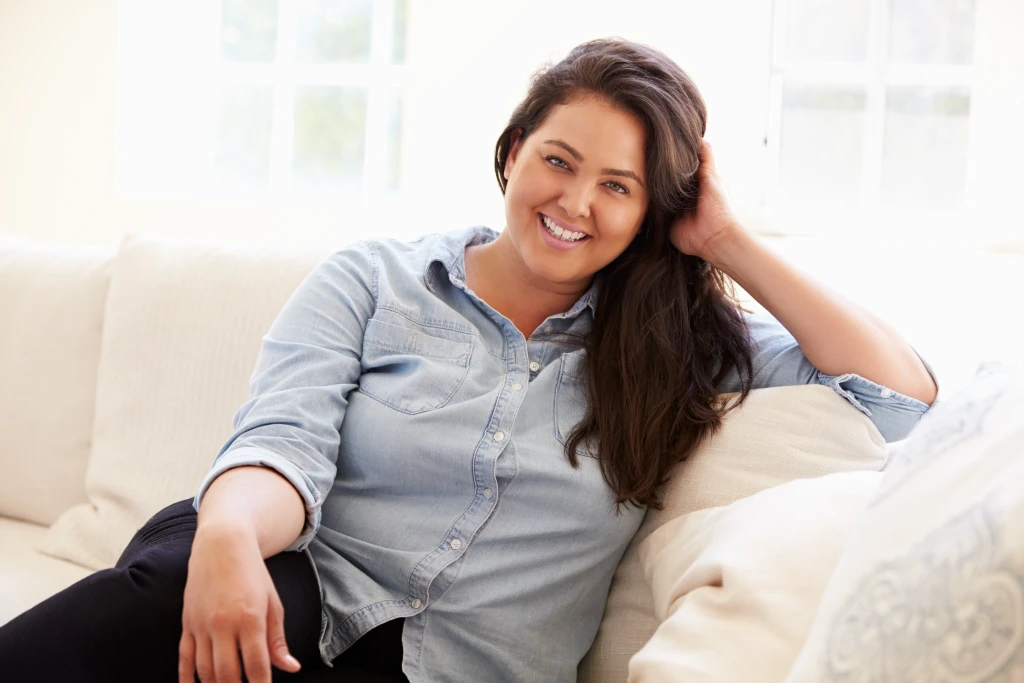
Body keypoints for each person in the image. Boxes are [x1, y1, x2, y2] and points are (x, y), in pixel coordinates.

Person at [0, 38, 938, 683]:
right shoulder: (375, 279)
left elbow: (899, 397)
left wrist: (727, 237)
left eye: (619, 187)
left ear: (654, 211)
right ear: (513, 149)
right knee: (141, 615)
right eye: (559, 160)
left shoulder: (680, 348)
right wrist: (228, 537)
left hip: (467, 661)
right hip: (290, 577)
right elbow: (283, 440)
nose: (575, 201)